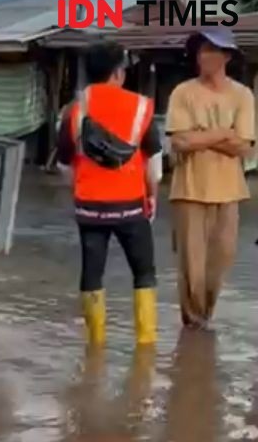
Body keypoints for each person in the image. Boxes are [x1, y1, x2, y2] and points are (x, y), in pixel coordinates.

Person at [56, 42, 162, 346]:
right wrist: (151, 197)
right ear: (118, 72)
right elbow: (153, 165)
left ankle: (96, 345)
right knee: (143, 272)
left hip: (89, 207)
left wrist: (81, 187)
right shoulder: (141, 107)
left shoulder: (75, 111)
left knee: (92, 272)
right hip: (131, 206)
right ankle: (145, 345)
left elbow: (64, 163)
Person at [166, 28, 255, 331]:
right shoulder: (183, 92)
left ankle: (205, 319)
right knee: (191, 267)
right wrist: (222, 133)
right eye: (202, 51)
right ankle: (193, 328)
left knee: (220, 263)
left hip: (229, 190)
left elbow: (243, 147)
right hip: (189, 189)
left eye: (212, 51)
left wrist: (200, 135)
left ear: (226, 56)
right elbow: (179, 142)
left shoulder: (242, 95)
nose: (204, 57)